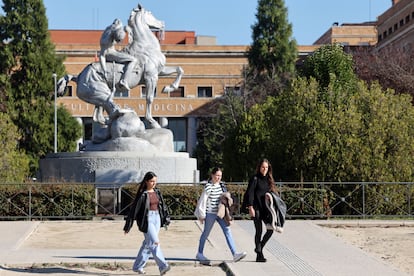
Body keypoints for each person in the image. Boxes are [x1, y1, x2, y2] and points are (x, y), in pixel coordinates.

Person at [194, 167, 247, 264]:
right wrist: (202, 215)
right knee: (206, 233)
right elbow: (203, 201)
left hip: (221, 213)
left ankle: (235, 254)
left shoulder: (222, 186)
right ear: (212, 175)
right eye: (217, 175)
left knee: (227, 231)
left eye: (220, 176)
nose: (218, 178)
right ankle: (200, 253)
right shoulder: (208, 186)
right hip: (210, 213)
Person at [124, 171, 171, 275]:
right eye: (151, 181)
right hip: (147, 219)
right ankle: (163, 266)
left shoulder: (157, 192)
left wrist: (166, 218)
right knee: (154, 242)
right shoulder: (142, 195)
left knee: (147, 244)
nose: (154, 183)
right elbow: (133, 211)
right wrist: (128, 226)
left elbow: (162, 206)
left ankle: (137, 266)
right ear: (146, 181)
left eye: (155, 181)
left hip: (157, 218)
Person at [243, 158, 278, 262]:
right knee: (259, 231)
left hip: (266, 209)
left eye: (266, 167)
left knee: (271, 229)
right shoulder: (255, 178)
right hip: (256, 208)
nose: (265, 169)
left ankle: (259, 247)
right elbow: (250, 193)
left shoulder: (269, 179)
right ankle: (259, 256)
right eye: (263, 167)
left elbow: (272, 193)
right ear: (259, 167)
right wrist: (250, 207)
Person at [99, 18, 137, 91]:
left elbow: (119, 25)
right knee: (133, 60)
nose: (118, 42)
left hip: (113, 51)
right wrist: (104, 70)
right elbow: (102, 56)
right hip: (110, 54)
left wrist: (126, 29)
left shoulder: (110, 29)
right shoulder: (106, 42)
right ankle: (124, 80)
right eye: (118, 41)